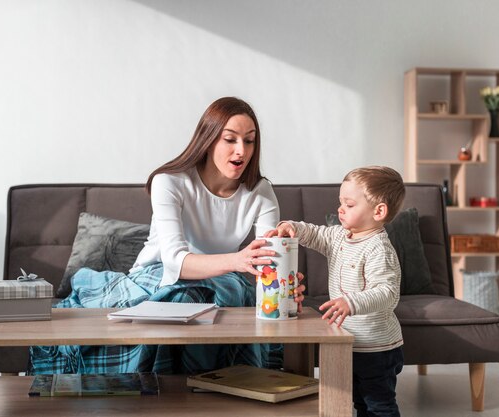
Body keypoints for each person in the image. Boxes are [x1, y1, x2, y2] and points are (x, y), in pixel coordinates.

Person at [29, 97, 305, 375]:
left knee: (230, 294)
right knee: (187, 298)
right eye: (230, 139)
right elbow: (175, 261)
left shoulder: (261, 192)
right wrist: (239, 261)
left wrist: (285, 288)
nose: (241, 150)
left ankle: (214, 389)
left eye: (249, 141)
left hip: (222, 280)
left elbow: (267, 259)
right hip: (158, 276)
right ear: (208, 140)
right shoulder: (170, 181)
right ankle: (162, 386)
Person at [265, 166, 405, 417]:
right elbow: (316, 233)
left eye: (349, 205)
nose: (340, 209)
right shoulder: (340, 236)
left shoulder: (378, 249)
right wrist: (291, 226)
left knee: (378, 405)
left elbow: (388, 293)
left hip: (376, 348)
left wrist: (351, 303)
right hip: (345, 342)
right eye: (340, 202)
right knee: (357, 402)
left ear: (379, 211)